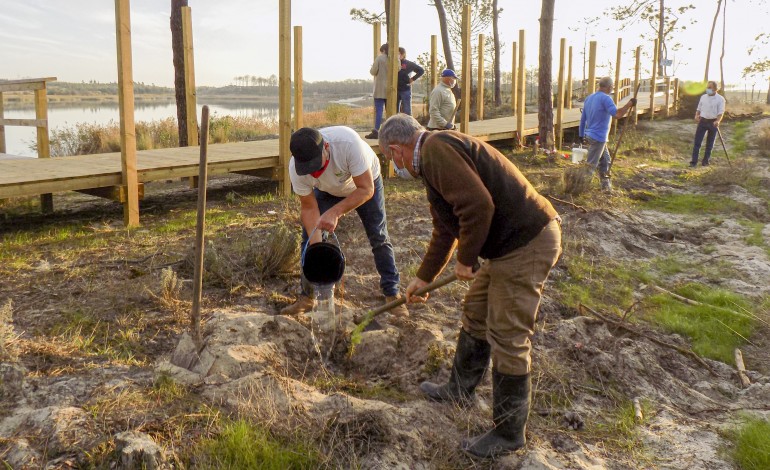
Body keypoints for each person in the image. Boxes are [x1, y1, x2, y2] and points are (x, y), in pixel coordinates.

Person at [378, 114, 562, 459]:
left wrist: (466, 259)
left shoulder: (435, 151)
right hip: (507, 247)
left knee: (508, 334)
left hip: (526, 243)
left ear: (395, 149)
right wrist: (424, 277)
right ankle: (459, 389)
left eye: (390, 160)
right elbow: (446, 227)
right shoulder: (434, 157)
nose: (394, 166)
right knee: (475, 311)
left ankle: (509, 433)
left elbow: (478, 205)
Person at [281, 126, 407, 317]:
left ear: (326, 147)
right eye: (308, 169)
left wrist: (335, 213)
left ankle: (392, 293)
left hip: (364, 184)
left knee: (378, 236)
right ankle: (308, 296)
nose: (313, 173)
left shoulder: (348, 144)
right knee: (309, 242)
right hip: (327, 191)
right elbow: (308, 208)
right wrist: (317, 251)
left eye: (317, 166)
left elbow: (366, 190)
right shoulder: (296, 169)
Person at [578, 76, 637, 192]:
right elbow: (617, 114)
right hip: (598, 137)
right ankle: (580, 189)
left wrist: (581, 135)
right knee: (591, 166)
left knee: (605, 160)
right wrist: (629, 104)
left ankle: (606, 187)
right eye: (612, 87)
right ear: (609, 87)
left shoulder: (589, 98)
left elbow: (583, 118)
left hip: (590, 135)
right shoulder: (606, 99)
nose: (612, 89)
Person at [690, 80, 725, 167]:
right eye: (707, 87)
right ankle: (693, 162)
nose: (708, 89)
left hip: (713, 122)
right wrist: (697, 115)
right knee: (697, 143)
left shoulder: (720, 99)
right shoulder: (703, 97)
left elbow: (721, 112)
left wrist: (718, 121)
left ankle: (705, 162)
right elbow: (699, 108)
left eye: (710, 88)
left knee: (710, 144)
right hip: (702, 121)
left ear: (715, 89)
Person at [366, 44, 389, 140]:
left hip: (379, 89)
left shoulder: (379, 58)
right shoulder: (396, 59)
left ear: (383, 50)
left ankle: (376, 130)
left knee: (379, 110)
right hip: (391, 90)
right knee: (391, 110)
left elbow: (373, 71)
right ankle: (391, 131)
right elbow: (399, 69)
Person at [396, 47, 425, 116]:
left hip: (405, 89)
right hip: (395, 90)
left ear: (403, 54)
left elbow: (421, 70)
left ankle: (409, 125)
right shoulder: (393, 64)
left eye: (399, 53)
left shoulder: (408, 64)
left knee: (407, 110)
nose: (397, 55)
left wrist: (413, 79)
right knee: (395, 111)